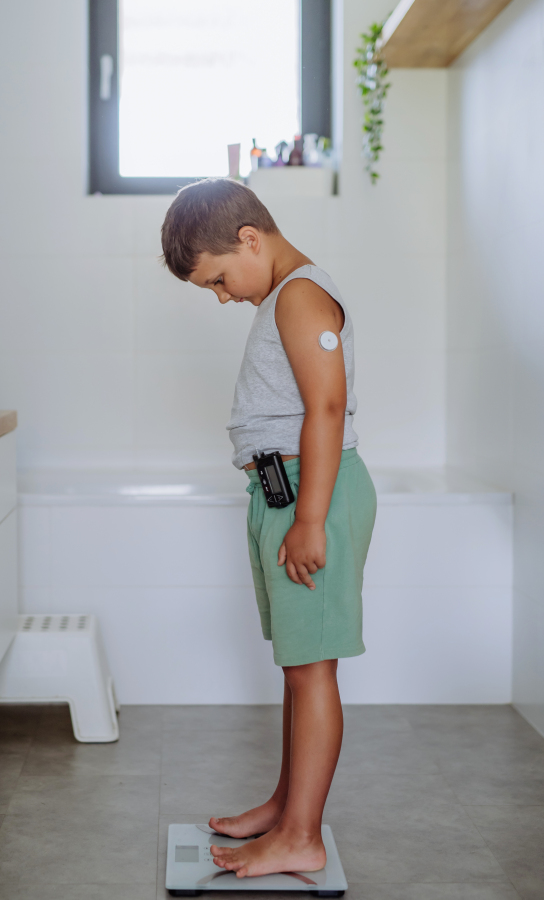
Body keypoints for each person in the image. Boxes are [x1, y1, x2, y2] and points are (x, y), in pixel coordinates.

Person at [160, 177, 377, 880]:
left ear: (250, 239)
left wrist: (309, 518)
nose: (223, 297)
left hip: (313, 498)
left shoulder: (303, 296)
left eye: (220, 279)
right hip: (284, 495)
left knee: (313, 671)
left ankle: (302, 836)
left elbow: (328, 407)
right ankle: (288, 808)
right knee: (298, 666)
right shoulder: (282, 296)